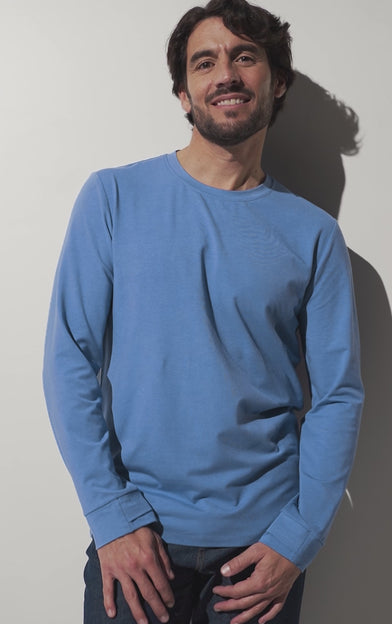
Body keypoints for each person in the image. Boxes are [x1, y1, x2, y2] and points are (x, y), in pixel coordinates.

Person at [43, 1, 364, 623]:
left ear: (277, 83)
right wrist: (111, 516)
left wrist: (299, 538)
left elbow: (338, 395)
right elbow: (69, 359)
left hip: (261, 552)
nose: (227, 75)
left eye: (245, 57)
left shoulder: (314, 234)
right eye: (205, 62)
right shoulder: (113, 197)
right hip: (137, 538)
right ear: (183, 94)